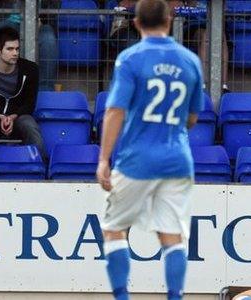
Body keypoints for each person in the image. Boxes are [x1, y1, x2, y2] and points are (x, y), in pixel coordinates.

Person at [96, 0, 204, 299]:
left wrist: (104, 159)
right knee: (172, 236)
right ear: (170, 21)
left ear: (136, 23)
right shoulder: (190, 61)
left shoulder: (130, 59)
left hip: (136, 159)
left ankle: (122, 296)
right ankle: (175, 296)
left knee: (115, 228)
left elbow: (115, 110)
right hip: (177, 160)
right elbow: (193, 117)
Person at [0, 26, 44, 164]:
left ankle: (40, 168)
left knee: (30, 125)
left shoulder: (30, 70)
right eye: (10, 49)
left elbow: (29, 104)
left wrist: (12, 117)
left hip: (18, 117)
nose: (15, 53)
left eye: (17, 49)